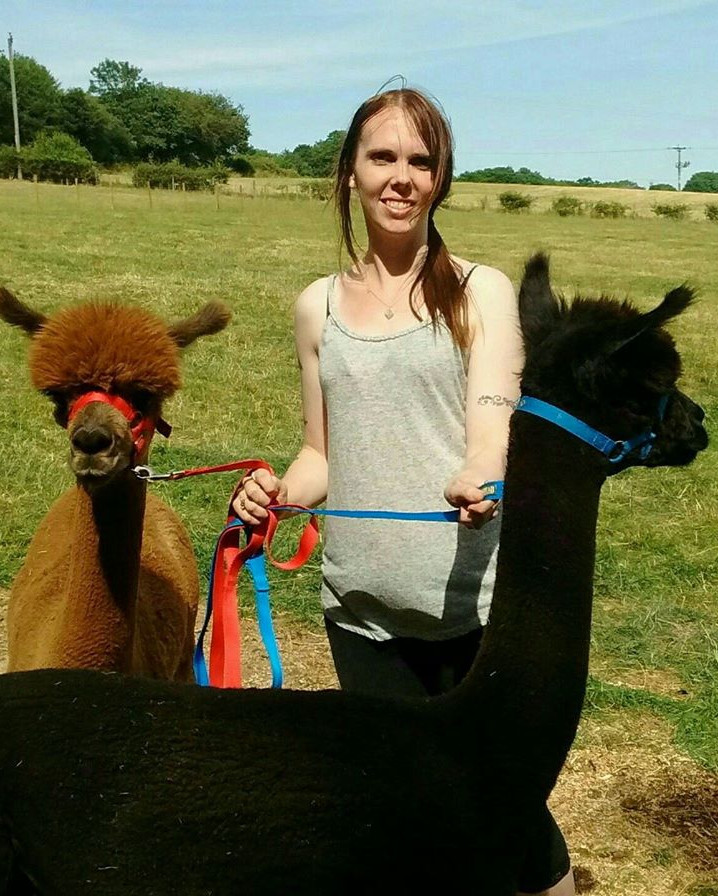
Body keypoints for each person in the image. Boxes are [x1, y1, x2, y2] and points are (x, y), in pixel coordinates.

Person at [232, 85, 575, 896]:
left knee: (510, 813)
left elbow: (494, 412)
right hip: (361, 612)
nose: (401, 177)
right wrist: (277, 491)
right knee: (400, 818)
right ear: (349, 171)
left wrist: (484, 468)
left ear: (441, 180)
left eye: (421, 161)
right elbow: (322, 453)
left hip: (472, 610)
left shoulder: (479, 289)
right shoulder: (316, 307)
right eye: (382, 157)